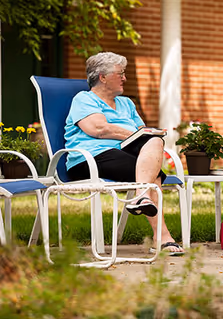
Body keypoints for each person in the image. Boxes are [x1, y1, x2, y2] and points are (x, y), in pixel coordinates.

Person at [64, 51, 184, 255]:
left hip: (124, 155)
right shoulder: (84, 99)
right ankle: (162, 236)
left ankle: (142, 199)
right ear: (102, 77)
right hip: (90, 158)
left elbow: (143, 137)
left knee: (155, 140)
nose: (124, 78)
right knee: (153, 175)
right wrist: (139, 135)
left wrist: (148, 136)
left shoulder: (126, 103)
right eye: (120, 73)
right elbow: (99, 129)